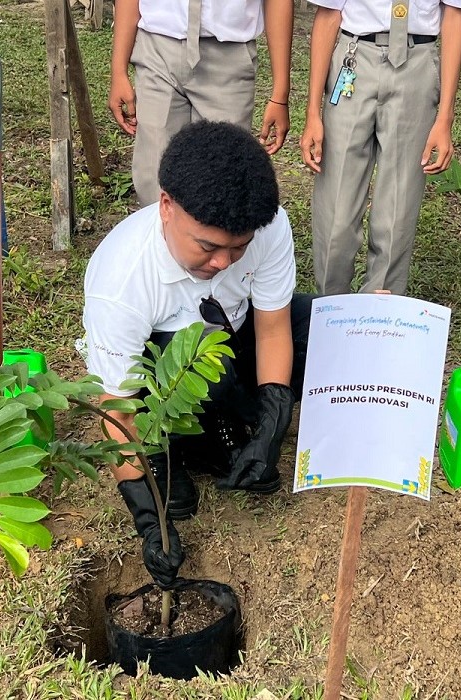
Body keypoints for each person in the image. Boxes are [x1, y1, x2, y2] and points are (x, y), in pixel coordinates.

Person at [80, 121, 313, 588]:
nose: (224, 262)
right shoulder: (121, 281)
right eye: (207, 247)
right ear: (166, 206)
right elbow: (116, 409)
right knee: (201, 366)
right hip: (161, 377)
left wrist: (273, 419)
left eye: (238, 249)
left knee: (316, 327)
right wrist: (147, 519)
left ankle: (235, 428)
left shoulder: (268, 228)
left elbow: (272, 329)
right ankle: (173, 449)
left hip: (231, 336)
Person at [299, 0, 461, 296]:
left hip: (417, 64)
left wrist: (445, 116)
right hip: (354, 59)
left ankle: (380, 318)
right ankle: (330, 307)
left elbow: (454, 16)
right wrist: (312, 113)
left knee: (400, 201)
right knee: (336, 202)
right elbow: (328, 15)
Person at [107, 0, 293, 205]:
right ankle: (162, 235)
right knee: (153, 174)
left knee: (222, 176)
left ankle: (209, 236)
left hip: (228, 58)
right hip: (157, 49)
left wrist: (280, 95)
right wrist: (118, 70)